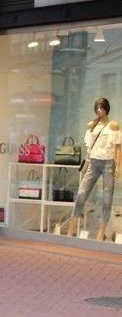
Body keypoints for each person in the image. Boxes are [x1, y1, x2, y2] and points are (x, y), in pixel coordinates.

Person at [67, 98, 121, 241]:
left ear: (106, 108)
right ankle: (71, 229)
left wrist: (118, 166)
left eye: (102, 107)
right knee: (82, 193)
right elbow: (89, 147)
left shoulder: (113, 125)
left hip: (108, 163)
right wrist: (88, 161)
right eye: (97, 107)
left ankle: (100, 232)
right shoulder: (92, 125)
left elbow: (117, 148)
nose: (99, 110)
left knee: (107, 198)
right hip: (94, 163)